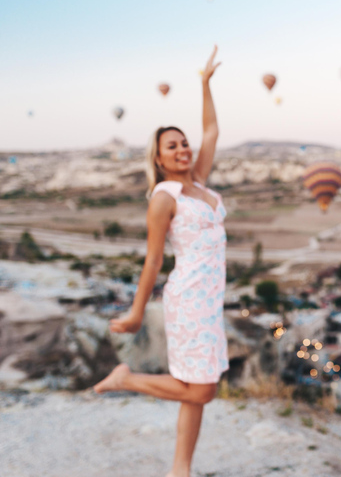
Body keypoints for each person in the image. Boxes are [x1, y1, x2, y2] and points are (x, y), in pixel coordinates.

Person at [94, 46, 227, 477]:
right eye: (173, 145)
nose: (184, 149)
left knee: (193, 388)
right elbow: (152, 261)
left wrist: (204, 85)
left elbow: (211, 131)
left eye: (184, 142)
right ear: (158, 157)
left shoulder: (199, 181)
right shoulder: (163, 197)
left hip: (209, 301)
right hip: (188, 299)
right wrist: (135, 313)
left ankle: (180, 470)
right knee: (202, 391)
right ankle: (126, 379)